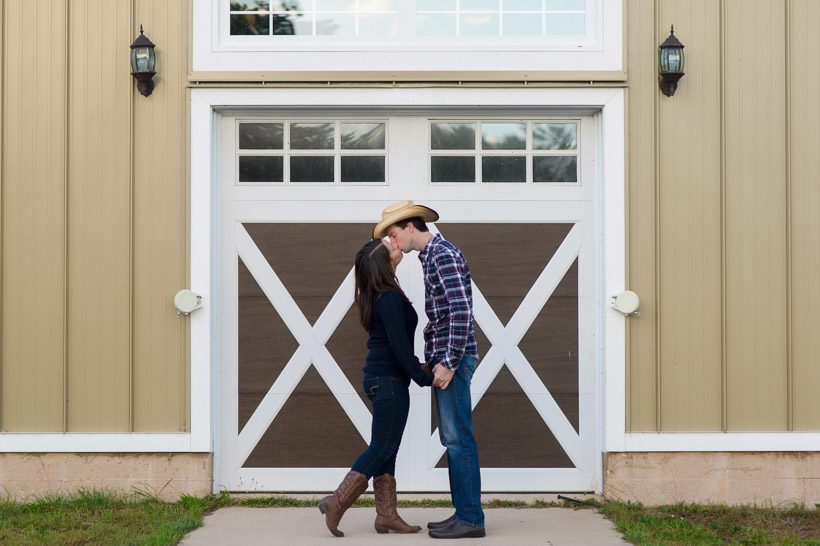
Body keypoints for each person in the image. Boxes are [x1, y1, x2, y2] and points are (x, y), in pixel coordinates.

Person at [374, 200, 486, 539]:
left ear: (410, 226)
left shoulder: (443, 255)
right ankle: (464, 513)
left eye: (393, 234)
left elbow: (461, 311)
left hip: (452, 360)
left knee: (458, 439)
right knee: (453, 439)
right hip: (445, 357)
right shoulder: (431, 256)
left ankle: (471, 519)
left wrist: (449, 362)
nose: (393, 243)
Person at [318, 237, 433, 537]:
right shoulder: (389, 298)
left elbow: (396, 345)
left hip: (383, 379)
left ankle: (386, 515)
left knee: (388, 448)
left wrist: (417, 369)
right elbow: (398, 348)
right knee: (381, 448)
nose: (397, 245)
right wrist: (425, 376)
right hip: (389, 381)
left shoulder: (381, 294)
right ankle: (337, 502)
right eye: (390, 245)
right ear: (383, 262)